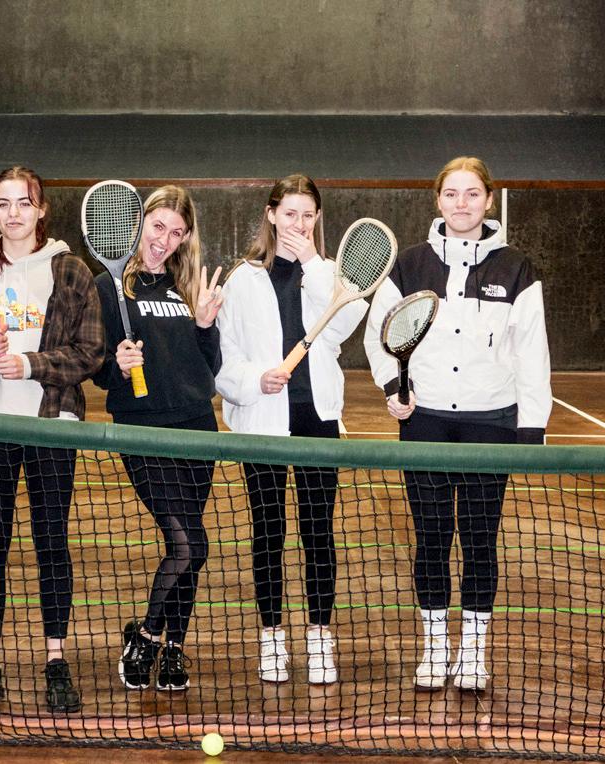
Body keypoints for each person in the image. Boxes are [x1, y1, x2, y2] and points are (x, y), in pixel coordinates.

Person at [363, 156, 551, 692]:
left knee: (479, 540)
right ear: (438, 200)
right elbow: (380, 335)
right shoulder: (409, 265)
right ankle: (433, 647)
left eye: (472, 194)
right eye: (451, 193)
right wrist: (392, 387)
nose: (461, 203)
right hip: (424, 423)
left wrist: (532, 427)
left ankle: (472, 652)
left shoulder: (517, 267)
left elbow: (532, 350)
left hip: (491, 423)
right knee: (430, 538)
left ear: (489, 200)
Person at [0, 165, 104, 714]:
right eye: (3, 203)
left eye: (24, 203)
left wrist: (31, 364)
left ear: (41, 209)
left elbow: (90, 352)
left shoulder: (71, 270)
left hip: (51, 425)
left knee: (51, 542)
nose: (13, 214)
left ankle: (56, 660)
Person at [214, 174, 366, 685]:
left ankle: (320, 637)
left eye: (308, 215)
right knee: (268, 532)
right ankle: (272, 637)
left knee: (319, 532)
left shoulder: (332, 274)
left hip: (316, 418)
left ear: (317, 219)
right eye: (290, 213)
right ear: (271, 214)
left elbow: (343, 326)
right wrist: (254, 380)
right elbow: (226, 357)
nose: (298, 224)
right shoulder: (242, 279)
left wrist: (314, 265)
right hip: (263, 421)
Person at [94, 186, 223, 692]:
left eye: (176, 232)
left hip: (196, 426)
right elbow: (98, 369)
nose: (163, 240)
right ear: (140, 224)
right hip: (143, 430)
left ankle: (173, 647)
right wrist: (117, 365)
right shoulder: (109, 287)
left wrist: (206, 326)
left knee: (183, 544)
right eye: (157, 226)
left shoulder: (187, 288)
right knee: (190, 543)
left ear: (185, 238)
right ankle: (147, 635)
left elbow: (209, 368)